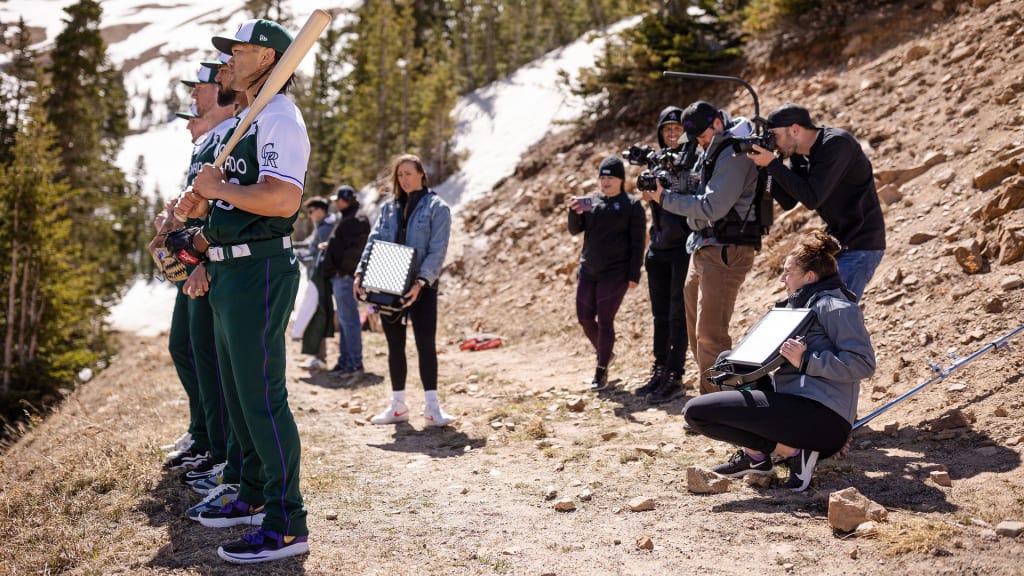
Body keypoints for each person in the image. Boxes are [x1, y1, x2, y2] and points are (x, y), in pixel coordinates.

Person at [175, 18, 310, 563]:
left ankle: (286, 523)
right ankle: (253, 498)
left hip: (260, 271)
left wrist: (217, 187)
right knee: (237, 396)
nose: (229, 59)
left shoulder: (280, 117)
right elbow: (239, 204)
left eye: (241, 50)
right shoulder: (252, 119)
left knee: (261, 399)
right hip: (230, 268)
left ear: (270, 58)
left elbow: (281, 201)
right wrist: (203, 214)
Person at [682, 231, 876, 492]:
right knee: (728, 363)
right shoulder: (796, 306)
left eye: (788, 272)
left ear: (809, 276)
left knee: (697, 413)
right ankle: (757, 458)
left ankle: (794, 453)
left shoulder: (835, 306)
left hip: (821, 417)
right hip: (795, 406)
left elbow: (863, 363)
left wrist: (805, 360)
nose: (782, 278)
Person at [648, 101, 760, 395]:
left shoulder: (734, 154)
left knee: (711, 334)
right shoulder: (712, 152)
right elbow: (698, 193)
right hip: (703, 247)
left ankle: (715, 406)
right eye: (695, 139)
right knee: (698, 332)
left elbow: (713, 206)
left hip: (725, 249)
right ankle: (715, 398)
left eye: (701, 136)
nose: (699, 142)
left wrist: (665, 198)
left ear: (717, 124)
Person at [746, 103, 885, 300]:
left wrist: (773, 164)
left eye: (774, 136)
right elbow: (789, 201)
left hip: (861, 242)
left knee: (837, 311)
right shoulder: (799, 155)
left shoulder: (836, 144)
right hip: (836, 243)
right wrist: (763, 168)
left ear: (795, 130)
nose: (773, 143)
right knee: (818, 310)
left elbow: (812, 198)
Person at [355, 154, 455, 427]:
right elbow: (373, 240)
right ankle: (398, 406)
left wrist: (421, 282)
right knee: (394, 345)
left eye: (409, 173)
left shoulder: (438, 207)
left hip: (422, 287)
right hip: (388, 285)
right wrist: (360, 272)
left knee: (425, 345)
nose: (404, 179)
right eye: (400, 175)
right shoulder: (388, 208)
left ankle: (433, 408)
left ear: (422, 174)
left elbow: (438, 249)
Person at [567, 155, 646, 391]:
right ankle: (606, 353)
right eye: (602, 177)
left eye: (610, 177)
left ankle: (601, 370)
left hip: (616, 273)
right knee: (584, 318)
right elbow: (575, 230)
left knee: (605, 319)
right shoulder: (591, 203)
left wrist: (634, 275)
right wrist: (574, 212)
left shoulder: (632, 205)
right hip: (588, 269)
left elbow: (638, 242)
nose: (605, 182)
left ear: (620, 180)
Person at [634, 106, 691, 405]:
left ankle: (675, 374)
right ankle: (660, 368)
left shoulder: (692, 162)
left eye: (677, 128)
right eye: (667, 129)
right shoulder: (655, 165)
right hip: (658, 247)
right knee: (659, 315)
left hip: (682, 247)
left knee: (677, 312)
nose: (672, 133)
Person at [321, 185, 370, 378]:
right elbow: (343, 245)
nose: (336, 203)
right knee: (344, 321)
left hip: (345, 278)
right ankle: (345, 362)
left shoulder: (356, 219)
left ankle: (354, 364)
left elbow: (355, 251)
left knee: (349, 321)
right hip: (342, 277)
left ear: (344, 199)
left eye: (338, 200)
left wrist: (343, 272)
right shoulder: (350, 217)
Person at [294, 196, 335, 371]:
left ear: (320, 210)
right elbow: (311, 246)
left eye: (311, 212)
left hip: (320, 280)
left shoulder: (326, 229)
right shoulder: (321, 227)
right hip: (316, 278)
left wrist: (301, 256)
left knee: (318, 316)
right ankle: (316, 357)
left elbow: (319, 255)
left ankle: (320, 358)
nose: (310, 216)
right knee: (315, 316)